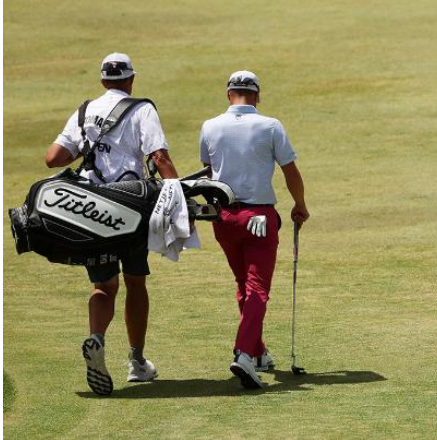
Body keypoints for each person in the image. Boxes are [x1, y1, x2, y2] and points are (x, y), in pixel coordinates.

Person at [45, 52, 179, 395]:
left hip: (92, 210)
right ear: (131, 80)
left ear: (104, 81)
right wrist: (179, 194)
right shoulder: (142, 109)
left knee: (104, 286)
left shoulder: (84, 111)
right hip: (130, 207)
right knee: (136, 282)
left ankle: (97, 338)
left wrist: (88, 147)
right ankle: (136, 361)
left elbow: (53, 158)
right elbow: (158, 157)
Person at [199, 70, 309, 389]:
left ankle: (258, 352)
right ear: (257, 96)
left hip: (223, 219)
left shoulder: (209, 127)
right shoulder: (270, 126)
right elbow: (291, 171)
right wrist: (300, 205)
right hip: (259, 218)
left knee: (243, 283)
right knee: (257, 288)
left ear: (228, 94)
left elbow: (209, 170)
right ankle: (244, 353)